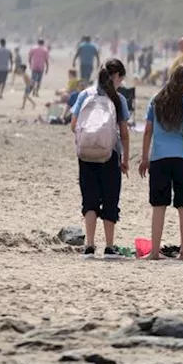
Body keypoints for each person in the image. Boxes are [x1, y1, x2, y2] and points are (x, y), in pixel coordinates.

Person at [139, 66, 183, 262]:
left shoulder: (156, 102)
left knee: (158, 205)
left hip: (159, 159)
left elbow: (147, 131)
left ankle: (154, 252)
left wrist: (144, 158)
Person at [71, 59, 131, 258]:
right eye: (121, 78)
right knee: (110, 199)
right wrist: (125, 159)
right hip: (110, 154)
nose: (121, 83)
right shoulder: (118, 99)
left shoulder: (84, 94)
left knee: (89, 198)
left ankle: (89, 245)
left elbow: (73, 125)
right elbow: (124, 133)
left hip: (86, 153)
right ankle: (109, 246)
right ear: (115, 77)